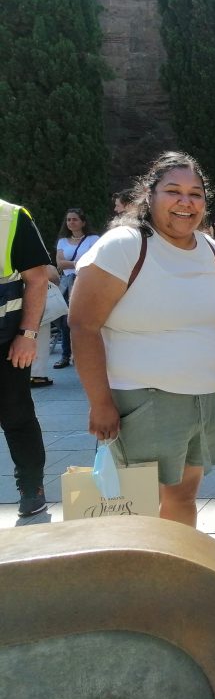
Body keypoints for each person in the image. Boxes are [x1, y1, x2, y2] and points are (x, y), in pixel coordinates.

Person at [71, 151, 215, 527]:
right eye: (173, 191)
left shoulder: (211, 251)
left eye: (196, 194)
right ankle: (141, 582)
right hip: (144, 399)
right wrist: (100, 403)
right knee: (137, 504)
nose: (185, 201)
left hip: (204, 397)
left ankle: (174, 578)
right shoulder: (125, 245)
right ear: (150, 194)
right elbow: (83, 326)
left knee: (183, 496)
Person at [0, 199, 52, 517]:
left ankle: (32, 489)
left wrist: (28, 335)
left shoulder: (10, 217)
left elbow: (37, 278)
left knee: (17, 418)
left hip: (6, 343)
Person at [53, 208, 99, 369]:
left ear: (83, 222)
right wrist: (79, 262)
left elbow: (95, 260)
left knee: (86, 320)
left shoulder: (93, 239)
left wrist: (71, 263)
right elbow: (60, 263)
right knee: (66, 321)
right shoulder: (62, 241)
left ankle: (87, 356)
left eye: (74, 219)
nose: (71, 222)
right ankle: (66, 355)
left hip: (86, 282)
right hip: (67, 283)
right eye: (68, 220)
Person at [29, 264, 62, 388]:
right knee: (41, 338)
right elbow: (52, 275)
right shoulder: (33, 250)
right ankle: (37, 374)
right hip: (37, 298)